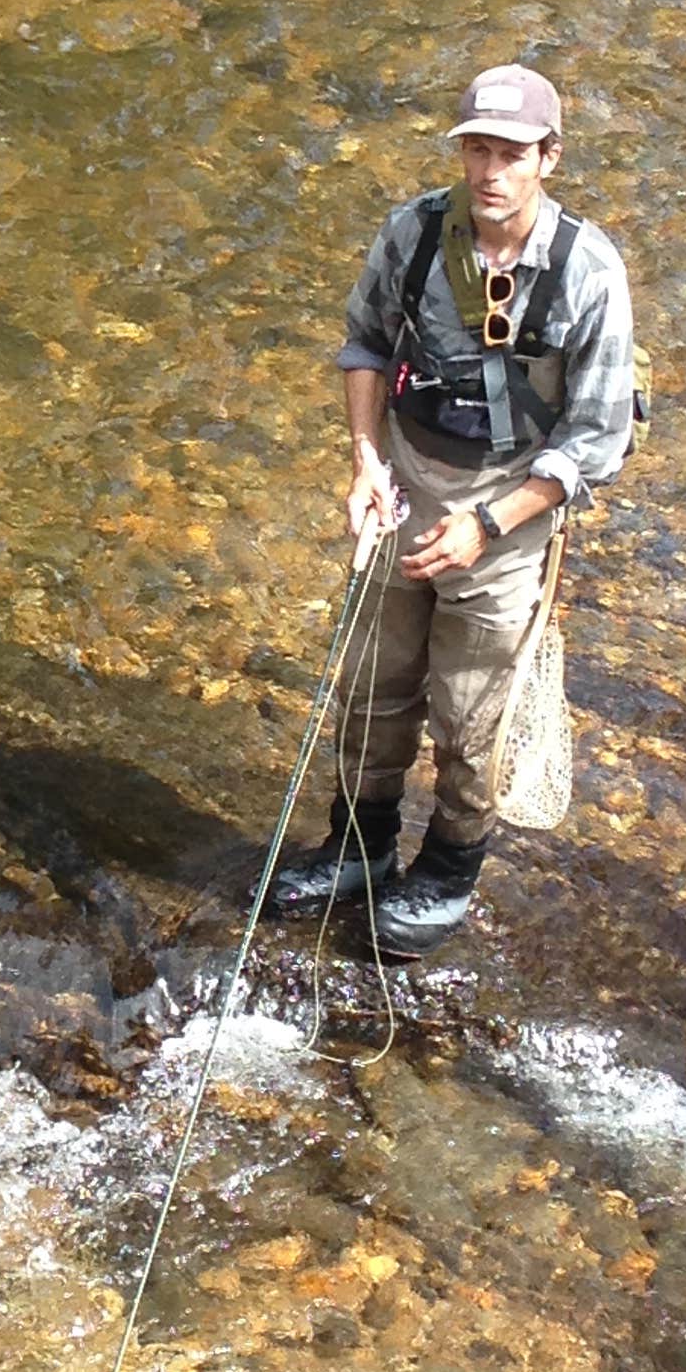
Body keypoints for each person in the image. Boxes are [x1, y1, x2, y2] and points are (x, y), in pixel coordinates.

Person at [267, 62, 638, 956]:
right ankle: (357, 847)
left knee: (473, 718)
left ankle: (447, 868)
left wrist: (489, 524)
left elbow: (598, 441)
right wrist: (365, 465)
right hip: (402, 492)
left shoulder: (588, 271)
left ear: (548, 157)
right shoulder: (416, 234)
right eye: (477, 147)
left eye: (511, 152)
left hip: (507, 521)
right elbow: (362, 345)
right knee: (371, 691)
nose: (489, 171)